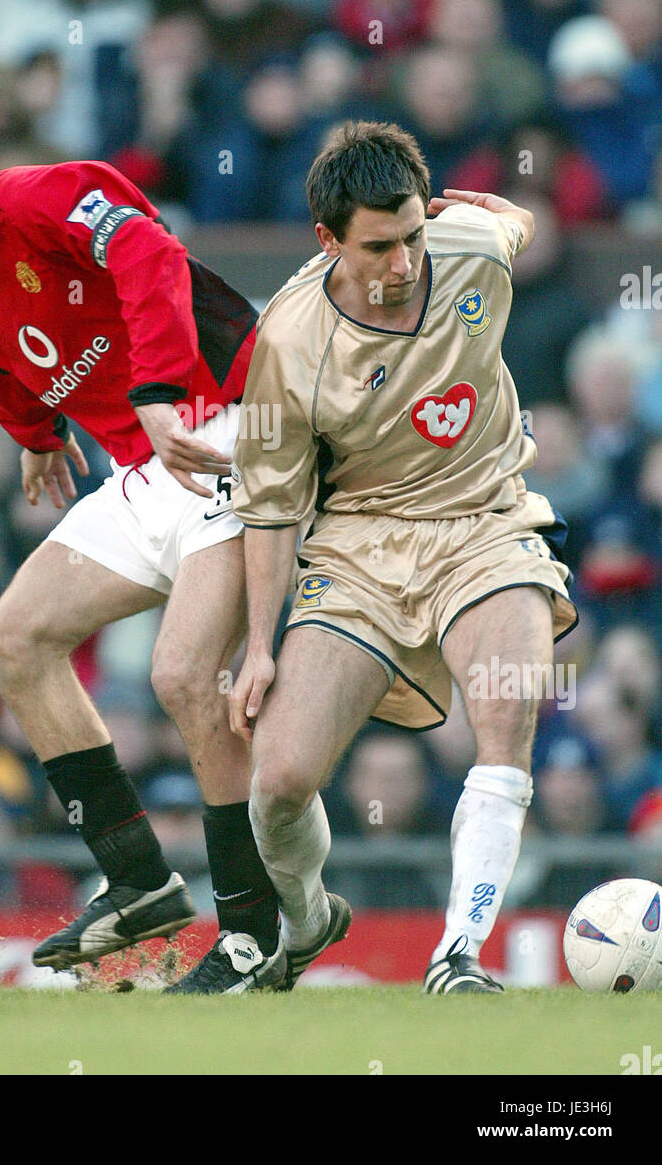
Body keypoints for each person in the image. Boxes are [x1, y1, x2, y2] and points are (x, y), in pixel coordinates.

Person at [0, 109, 287, 994]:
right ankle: (139, 879)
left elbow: (146, 254)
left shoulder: (48, 194)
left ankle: (255, 936)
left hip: (231, 432)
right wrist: (34, 435)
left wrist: (152, 393)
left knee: (183, 679)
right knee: (12, 638)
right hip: (145, 472)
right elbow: (5, 366)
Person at [229, 120, 577, 992]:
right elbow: (272, 509)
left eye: (414, 235)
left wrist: (504, 215)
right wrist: (260, 647)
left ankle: (456, 956)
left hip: (485, 521)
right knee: (278, 781)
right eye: (379, 246)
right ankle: (307, 922)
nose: (404, 262)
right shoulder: (287, 341)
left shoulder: (470, 247)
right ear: (327, 240)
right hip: (357, 546)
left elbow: (513, 224)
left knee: (505, 719)